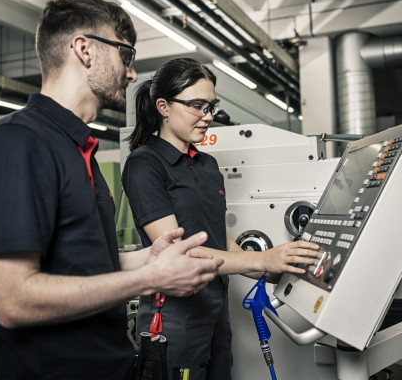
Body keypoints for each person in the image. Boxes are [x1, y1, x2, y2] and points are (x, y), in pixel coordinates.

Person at [0, 0, 223, 380]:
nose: (132, 74)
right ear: (84, 49)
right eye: (126, 55)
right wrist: (149, 279)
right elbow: (14, 301)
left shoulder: (77, 149)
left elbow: (79, 266)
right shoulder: (16, 143)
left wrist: (150, 258)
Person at [121, 58, 321, 380]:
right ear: (164, 106)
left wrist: (273, 270)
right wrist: (265, 259)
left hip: (216, 316)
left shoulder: (207, 166)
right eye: (197, 106)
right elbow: (179, 254)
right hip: (173, 320)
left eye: (211, 106)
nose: (208, 117)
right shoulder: (145, 165)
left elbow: (219, 240)